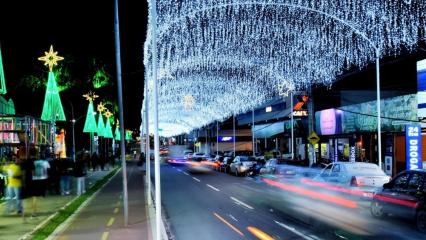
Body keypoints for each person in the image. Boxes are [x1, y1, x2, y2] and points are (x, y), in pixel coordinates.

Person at [30, 149, 50, 217]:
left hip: (35, 180)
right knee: (42, 195)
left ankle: (34, 212)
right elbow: (47, 170)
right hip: (43, 179)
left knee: (34, 196)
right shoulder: (45, 162)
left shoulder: (32, 162)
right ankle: (37, 210)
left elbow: (32, 172)